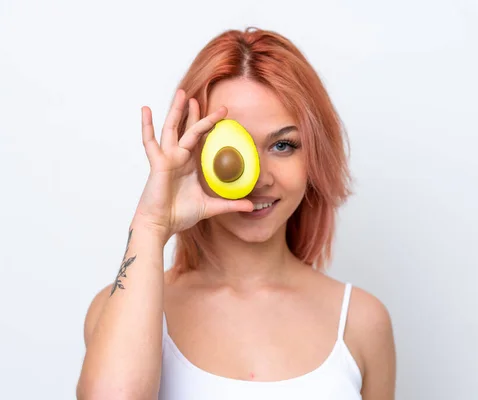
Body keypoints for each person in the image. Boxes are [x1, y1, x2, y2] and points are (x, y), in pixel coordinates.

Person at [76, 27, 396, 400]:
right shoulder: (122, 309)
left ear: (314, 158)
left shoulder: (361, 322)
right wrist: (150, 224)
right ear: (190, 150)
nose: (256, 178)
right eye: (229, 147)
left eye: (282, 145)